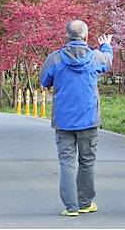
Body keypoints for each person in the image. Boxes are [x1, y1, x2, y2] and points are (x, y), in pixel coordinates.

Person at [39, 20, 113, 217]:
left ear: (66, 36)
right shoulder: (95, 57)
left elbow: (44, 80)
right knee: (87, 161)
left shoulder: (55, 59)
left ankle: (71, 207)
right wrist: (106, 45)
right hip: (89, 119)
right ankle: (85, 202)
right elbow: (108, 61)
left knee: (66, 162)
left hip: (63, 121)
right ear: (86, 36)